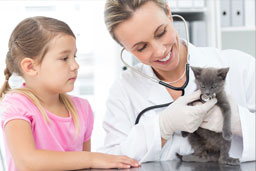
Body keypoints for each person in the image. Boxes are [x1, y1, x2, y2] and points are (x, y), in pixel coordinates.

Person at [98, 0, 255, 163]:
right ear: (126, 48)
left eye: (161, 33)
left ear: (168, 13)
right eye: (141, 47)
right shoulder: (124, 89)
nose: (160, 51)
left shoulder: (240, 66)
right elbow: (111, 159)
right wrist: (162, 127)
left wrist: (237, 122)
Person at [0, 16, 140, 171]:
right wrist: (92, 158)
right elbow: (27, 162)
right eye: (64, 58)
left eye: (75, 56)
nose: (75, 65)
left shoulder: (82, 109)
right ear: (31, 67)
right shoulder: (16, 105)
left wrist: (92, 161)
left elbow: (84, 166)